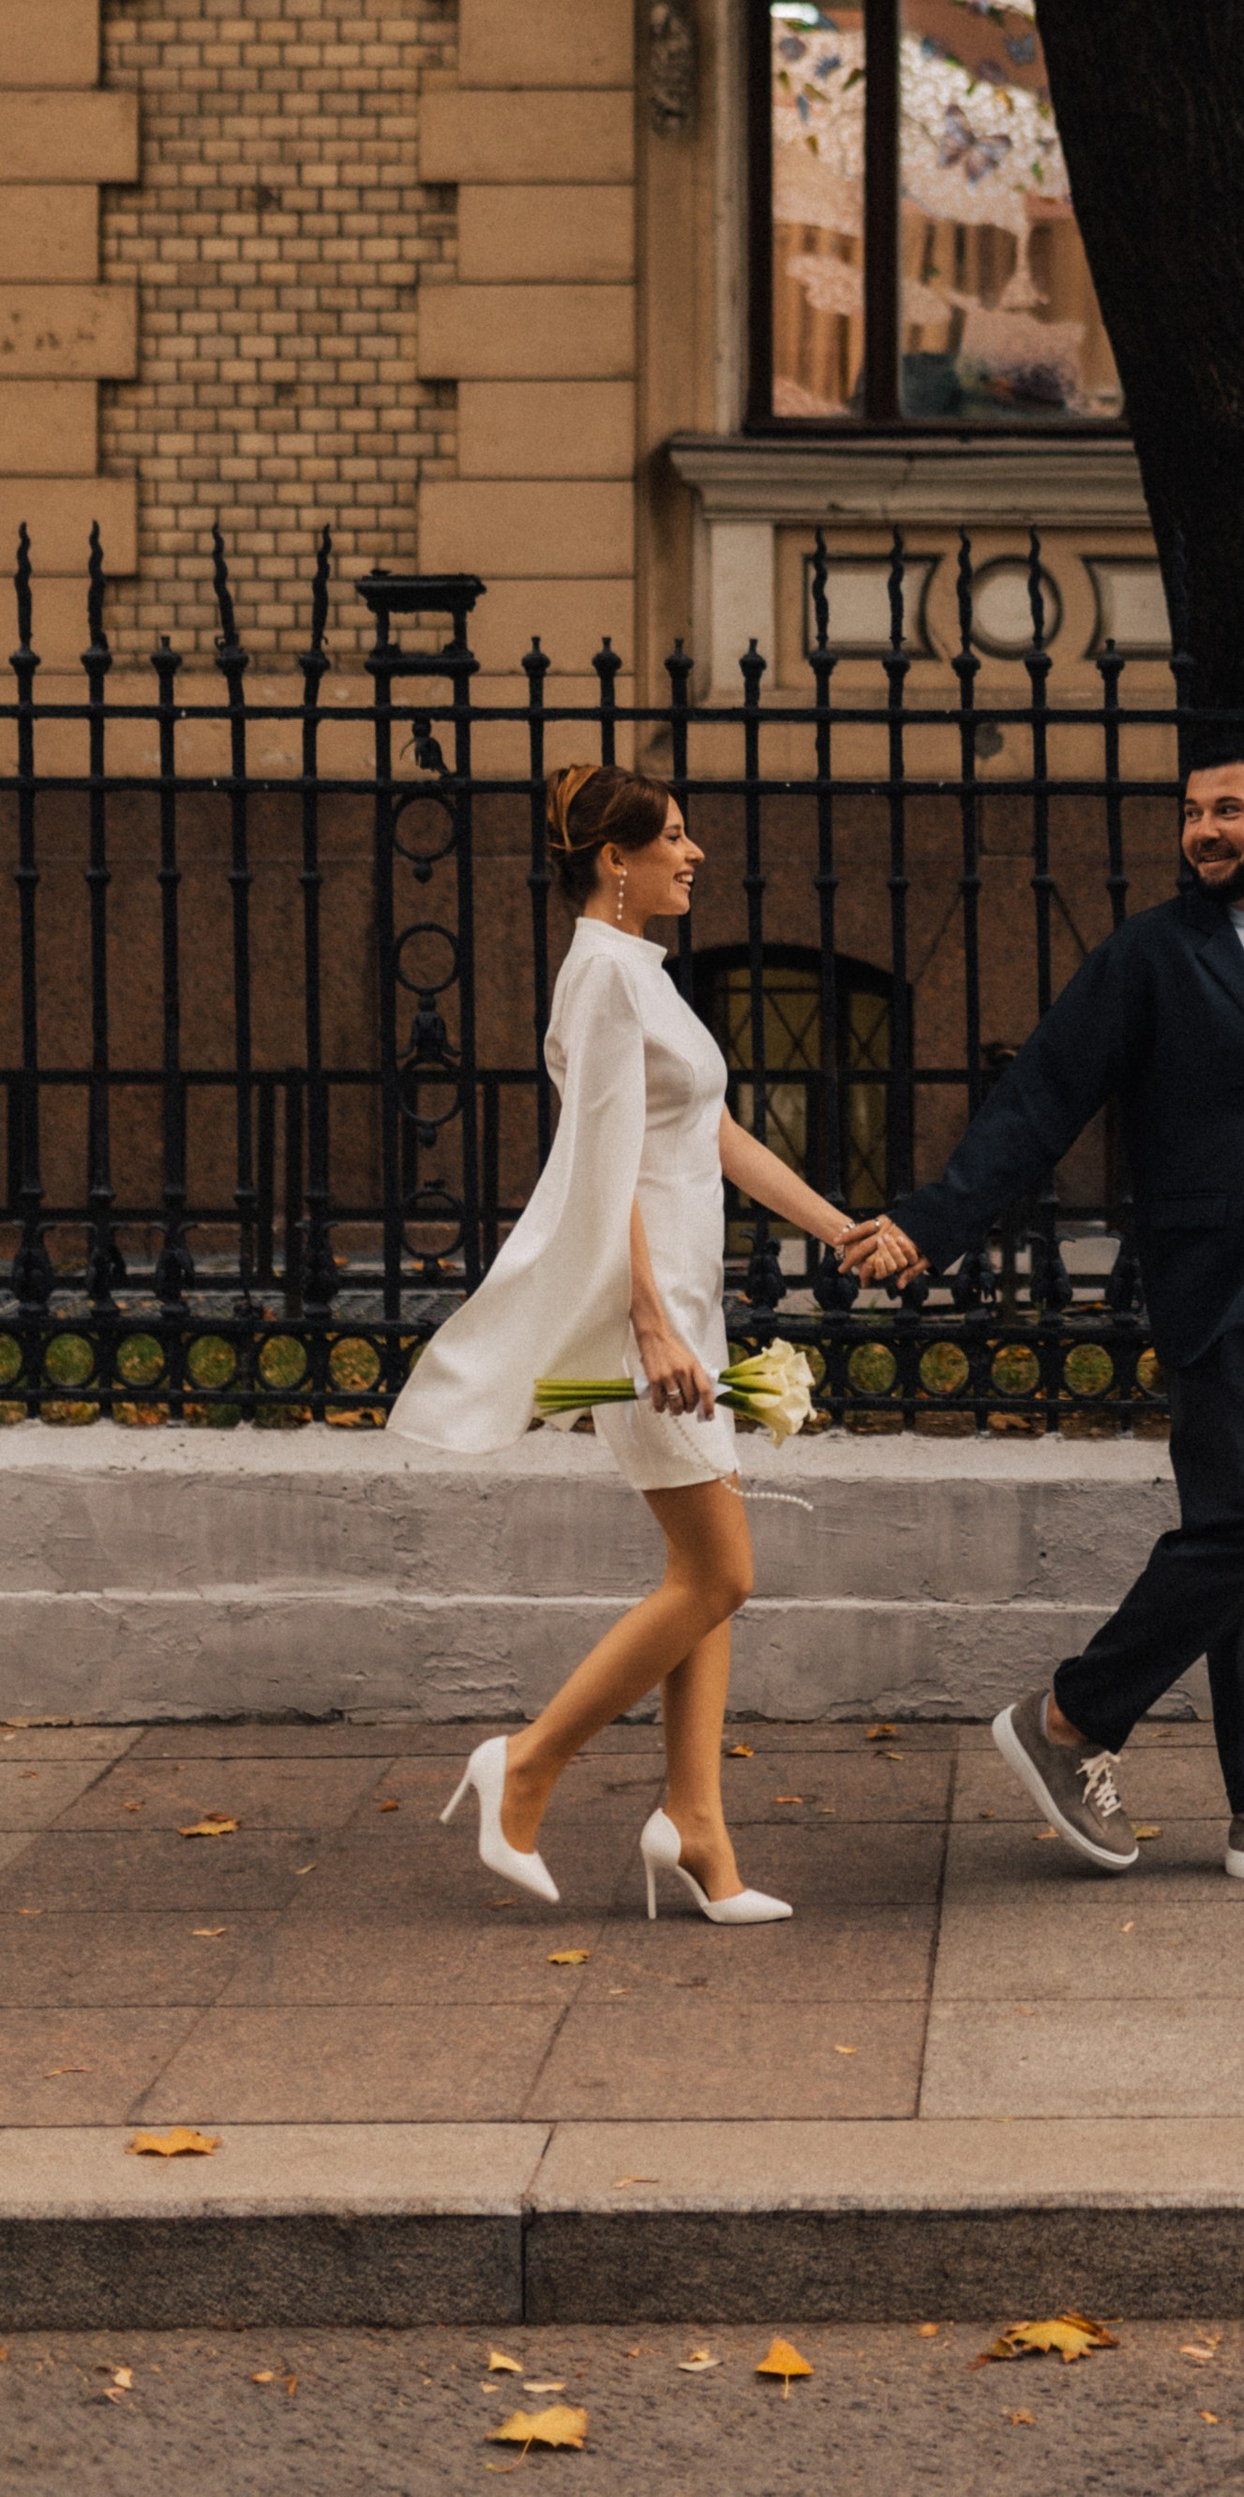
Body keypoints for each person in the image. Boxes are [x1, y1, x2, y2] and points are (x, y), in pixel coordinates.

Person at [869, 744, 1244, 1879]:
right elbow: (1041, 1096)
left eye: (1228, 810)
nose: (1203, 829)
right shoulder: (1152, 956)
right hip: (1219, 1289)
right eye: (1191, 812)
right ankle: (1069, 1720)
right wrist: (932, 1223)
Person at [389, 765, 907, 1920]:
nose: (697, 854)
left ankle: (695, 1827)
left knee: (702, 1579)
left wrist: (835, 1226)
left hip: (682, 1304)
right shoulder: (605, 981)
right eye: (673, 838)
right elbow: (600, 1166)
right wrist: (648, 1319)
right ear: (612, 861)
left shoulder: (641, 975)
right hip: (651, 1317)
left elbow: (708, 1131)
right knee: (721, 1571)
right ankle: (522, 1766)